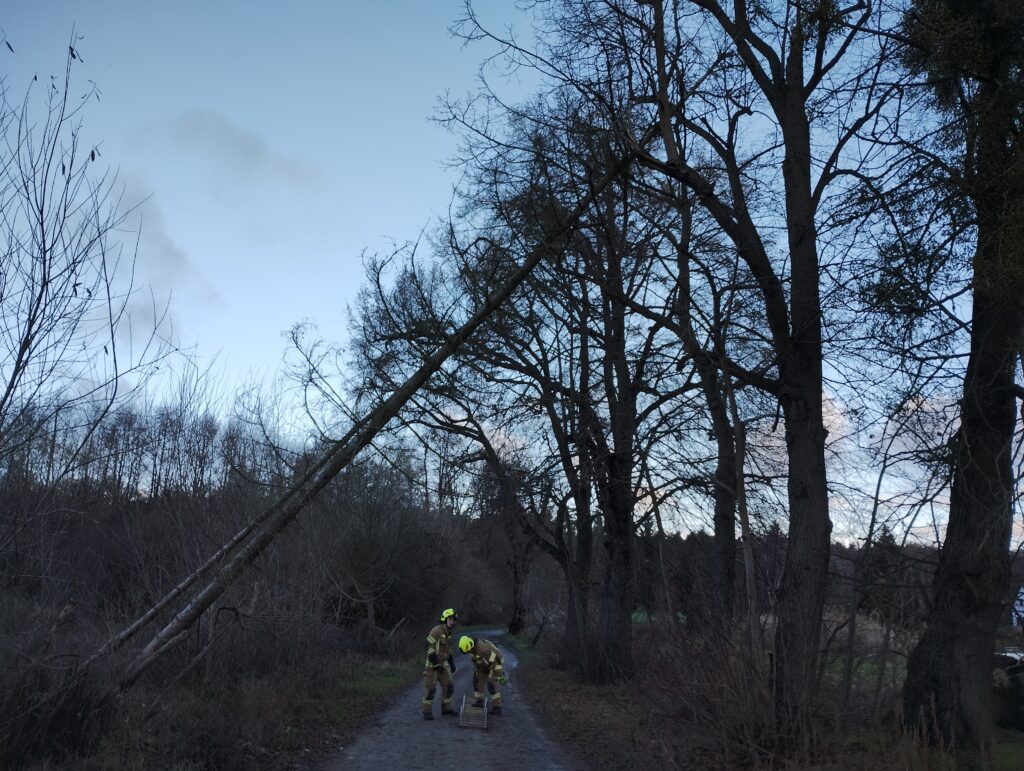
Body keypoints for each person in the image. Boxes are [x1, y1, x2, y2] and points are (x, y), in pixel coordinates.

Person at [421, 608, 458, 720]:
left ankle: (446, 709)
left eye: (454, 620)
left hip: (443, 665)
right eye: (450, 619)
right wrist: (435, 663)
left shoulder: (449, 634)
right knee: (431, 689)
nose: (452, 621)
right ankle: (427, 711)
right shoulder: (436, 630)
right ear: (445, 619)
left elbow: (448, 650)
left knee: (449, 686)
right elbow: (428, 647)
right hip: (432, 666)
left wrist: (451, 663)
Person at [458, 635, 507, 715]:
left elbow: (495, 662)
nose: (468, 653)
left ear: (470, 646)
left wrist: (500, 675)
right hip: (483, 665)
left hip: (494, 664)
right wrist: (476, 671)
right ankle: (479, 701)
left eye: (468, 651)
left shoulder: (484, 650)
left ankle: (497, 707)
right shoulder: (472, 647)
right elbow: (477, 660)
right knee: (477, 682)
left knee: (491, 685)